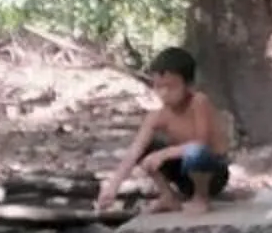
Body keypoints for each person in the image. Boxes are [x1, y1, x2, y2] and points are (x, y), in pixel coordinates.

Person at [98, 46, 234, 215]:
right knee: (147, 148)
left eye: (170, 87)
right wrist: (113, 186)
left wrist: (165, 154)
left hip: (212, 174)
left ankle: (201, 198)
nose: (164, 93)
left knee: (196, 152)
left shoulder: (198, 102)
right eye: (159, 87)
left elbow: (201, 144)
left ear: (189, 85)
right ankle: (168, 196)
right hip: (184, 174)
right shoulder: (157, 115)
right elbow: (134, 150)